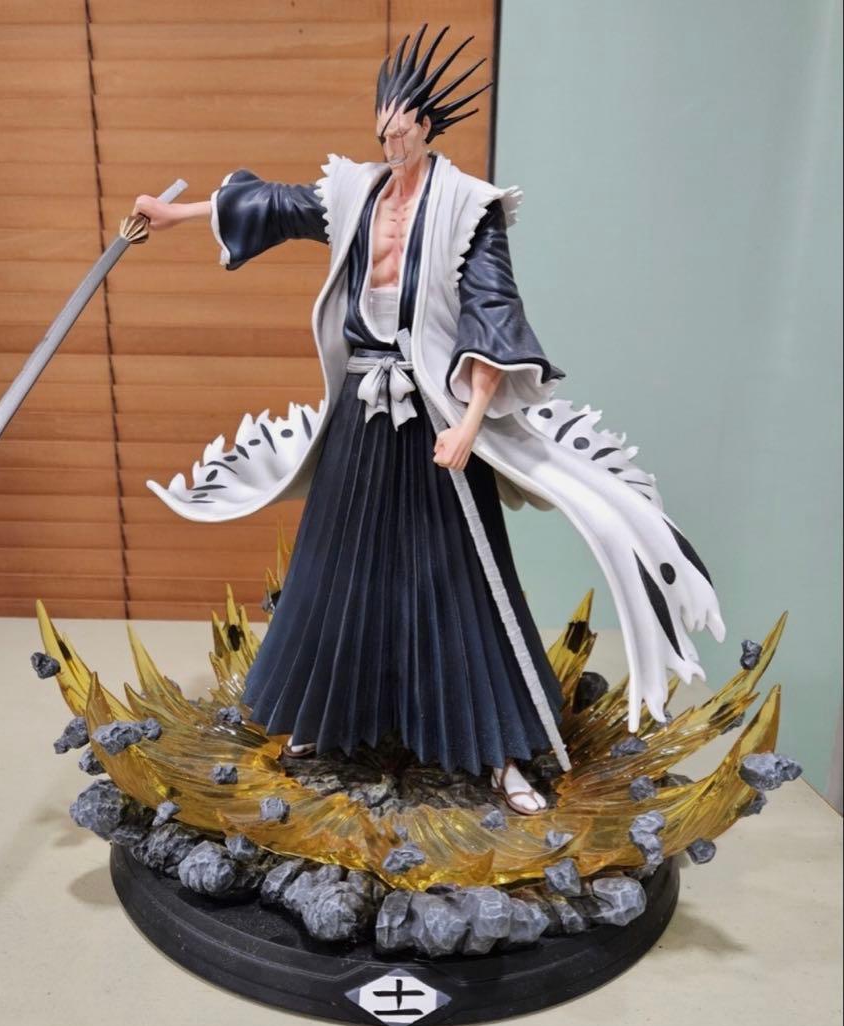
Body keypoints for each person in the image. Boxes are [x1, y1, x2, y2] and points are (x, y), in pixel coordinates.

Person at [134, 26, 724, 815]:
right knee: (335, 565)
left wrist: (470, 422)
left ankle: (497, 749)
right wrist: (173, 213)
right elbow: (275, 204)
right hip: (360, 409)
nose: (390, 140)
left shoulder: (469, 208)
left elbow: (492, 315)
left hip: (436, 415)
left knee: (458, 579)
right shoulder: (357, 191)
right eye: (381, 126)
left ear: (426, 124)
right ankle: (323, 718)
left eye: (401, 127)